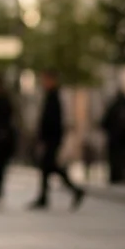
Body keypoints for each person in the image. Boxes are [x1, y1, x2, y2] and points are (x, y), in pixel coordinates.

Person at [30, 70, 84, 210]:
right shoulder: (50, 95)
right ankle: (45, 197)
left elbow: (52, 121)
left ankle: (73, 190)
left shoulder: (54, 97)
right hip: (50, 138)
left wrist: (45, 138)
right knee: (48, 168)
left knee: (49, 167)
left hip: (52, 139)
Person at [100, 90, 125, 183]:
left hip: (118, 139)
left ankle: (117, 177)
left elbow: (105, 122)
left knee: (117, 159)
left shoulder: (114, 105)